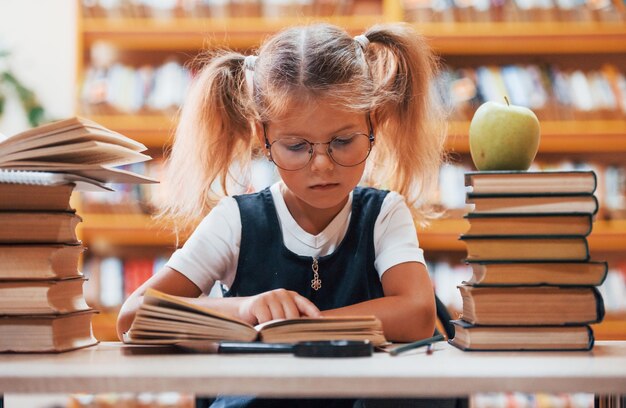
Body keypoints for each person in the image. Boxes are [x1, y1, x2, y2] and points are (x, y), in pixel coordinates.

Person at [117, 22, 449, 407]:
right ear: (264, 138)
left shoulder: (384, 213)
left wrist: (303, 328)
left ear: (373, 122)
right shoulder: (236, 221)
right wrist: (244, 309)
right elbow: (133, 317)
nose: (322, 165)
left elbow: (418, 313)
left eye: (343, 141)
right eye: (296, 146)